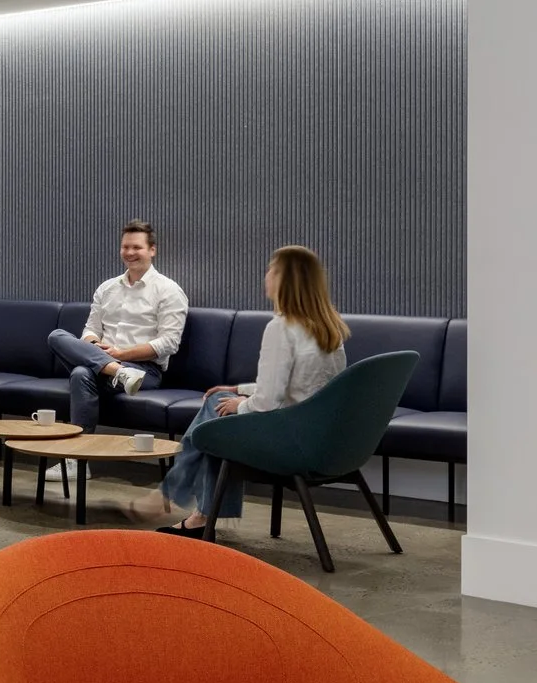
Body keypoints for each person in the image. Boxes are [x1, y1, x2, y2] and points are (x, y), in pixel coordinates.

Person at [142, 244, 350, 534]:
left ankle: (186, 499)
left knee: (216, 410)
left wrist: (239, 403)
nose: (266, 275)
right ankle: (196, 506)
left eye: (271, 270)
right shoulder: (328, 328)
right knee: (219, 408)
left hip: (290, 442)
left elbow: (267, 402)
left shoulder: (281, 327)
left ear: (285, 279)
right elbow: (301, 385)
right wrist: (238, 389)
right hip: (320, 438)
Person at [48, 220, 188, 431]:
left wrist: (120, 354)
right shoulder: (107, 288)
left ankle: (77, 451)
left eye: (137, 247)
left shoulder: (169, 291)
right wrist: (94, 345)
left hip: (144, 371)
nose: (129, 252)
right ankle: (119, 372)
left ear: (152, 250)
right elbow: (91, 329)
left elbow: (169, 343)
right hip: (104, 359)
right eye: (125, 247)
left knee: (81, 373)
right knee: (56, 336)